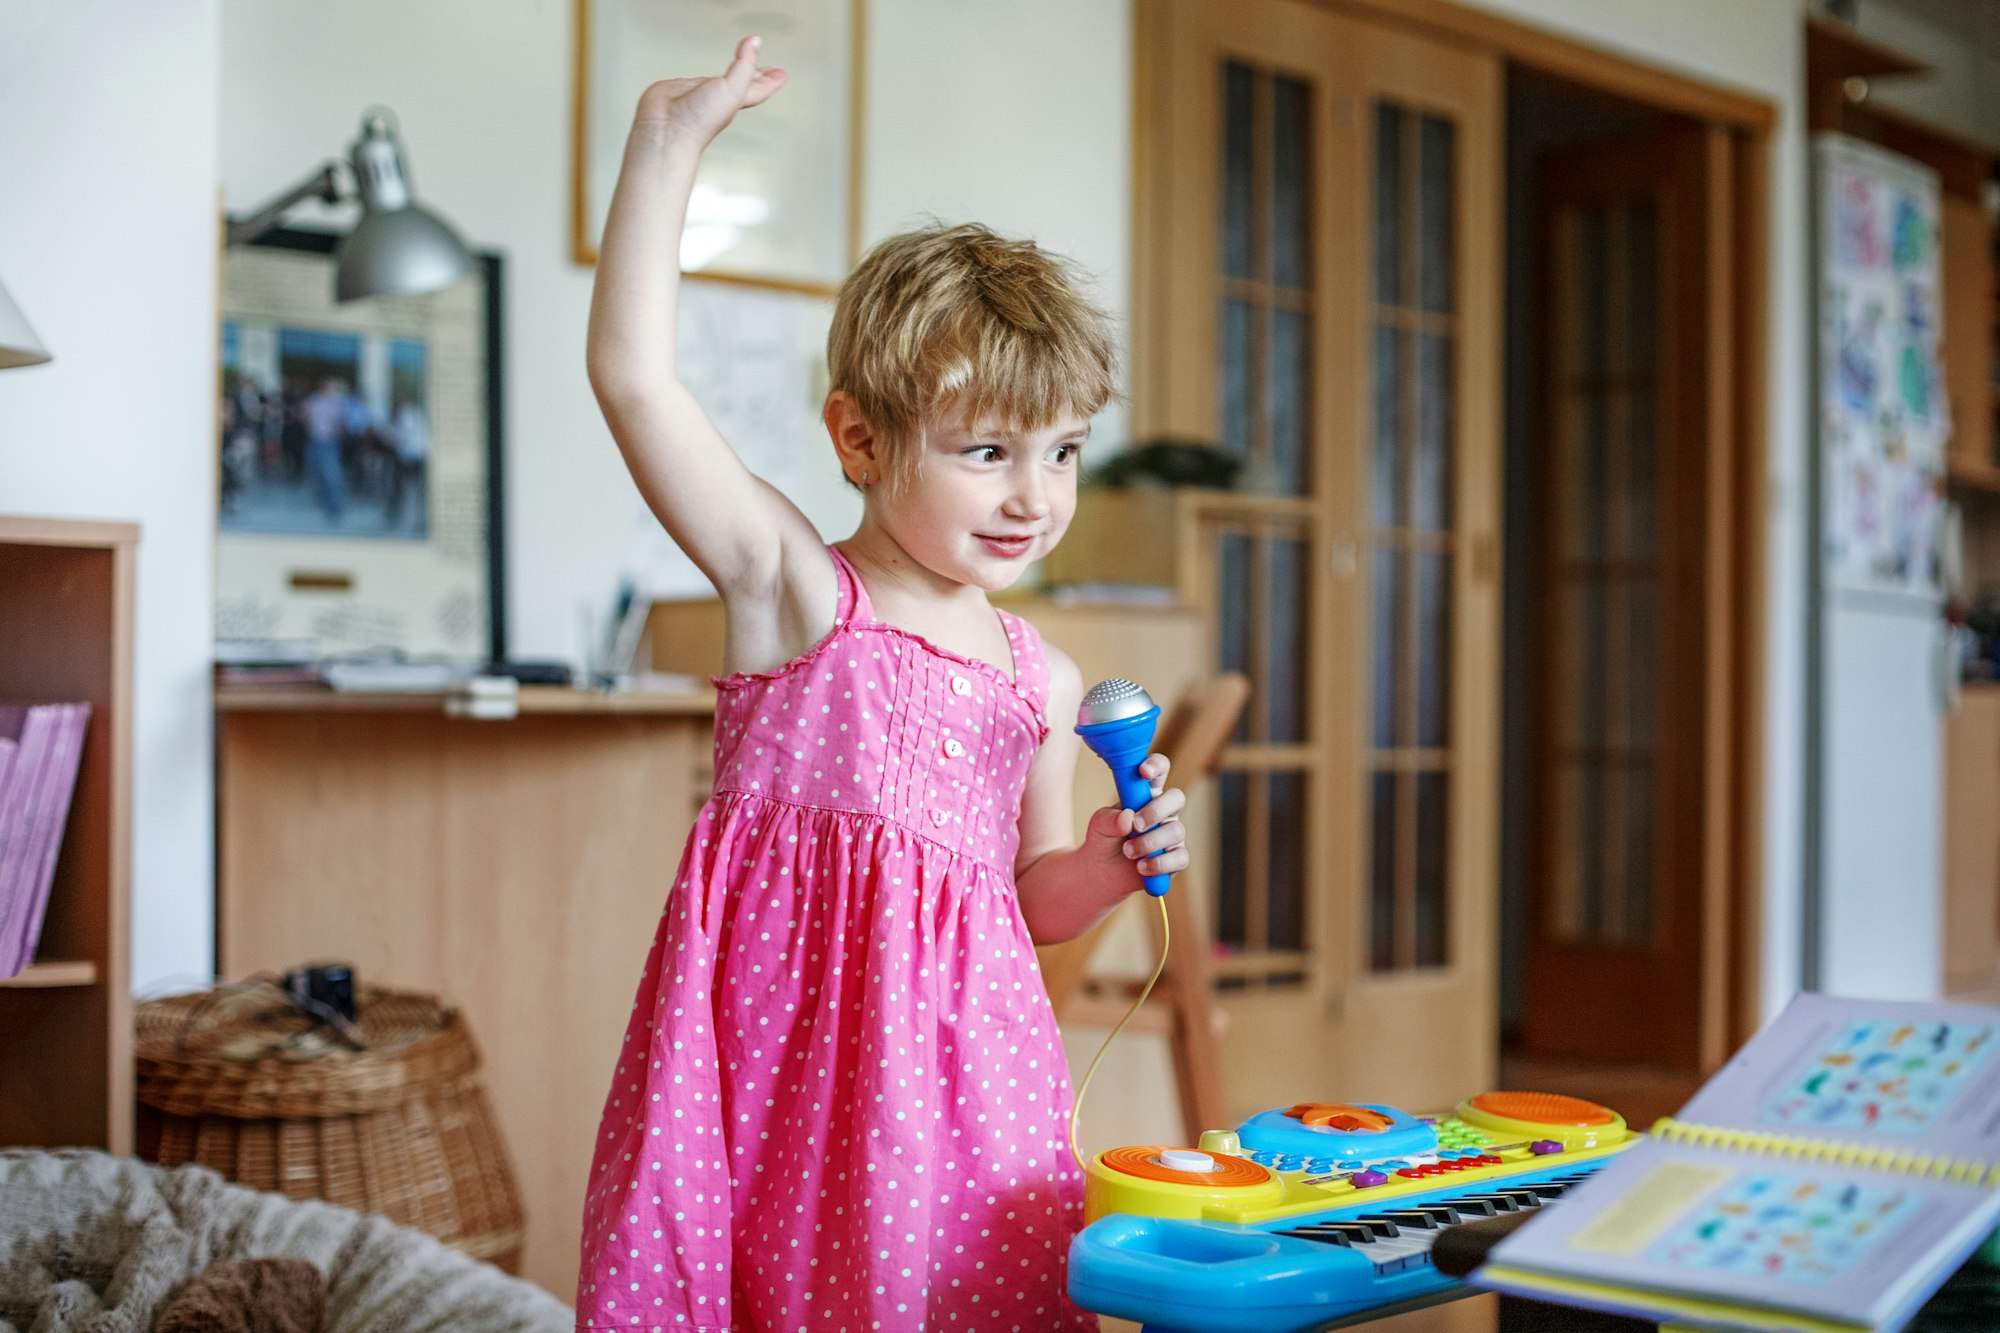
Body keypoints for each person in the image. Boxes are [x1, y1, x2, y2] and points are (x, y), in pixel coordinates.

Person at [576, 36, 1189, 1333]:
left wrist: (1102, 863)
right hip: (780, 1075)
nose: (1035, 496)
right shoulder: (796, 589)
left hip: (964, 1088)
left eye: (1064, 452)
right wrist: (668, 144)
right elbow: (633, 379)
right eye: (988, 451)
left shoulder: (1040, 673)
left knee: (946, 1294)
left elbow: (1029, 900)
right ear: (859, 436)